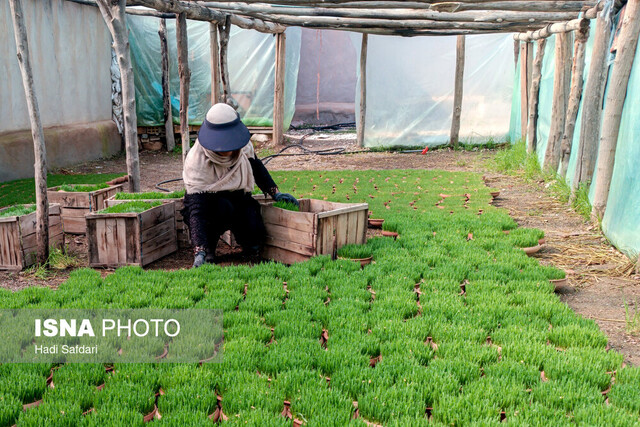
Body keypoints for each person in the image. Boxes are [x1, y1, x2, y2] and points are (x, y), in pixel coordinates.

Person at [182, 103, 298, 268]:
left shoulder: (243, 148)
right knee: (219, 211)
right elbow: (196, 210)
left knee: (252, 227)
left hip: (237, 198)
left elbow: (256, 167)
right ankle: (208, 249)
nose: (227, 150)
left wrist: (275, 192)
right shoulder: (197, 161)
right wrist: (199, 249)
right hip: (209, 206)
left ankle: (249, 243)